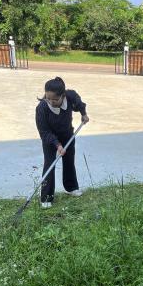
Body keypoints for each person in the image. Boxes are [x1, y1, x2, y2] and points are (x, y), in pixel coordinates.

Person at [35, 77, 89, 208]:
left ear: (63, 96)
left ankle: (71, 188)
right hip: (50, 139)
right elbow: (44, 132)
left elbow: (79, 102)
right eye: (48, 98)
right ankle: (46, 197)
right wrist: (57, 145)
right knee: (49, 164)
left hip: (67, 135)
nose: (51, 102)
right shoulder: (42, 108)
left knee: (69, 160)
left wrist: (83, 113)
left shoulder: (69, 96)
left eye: (55, 99)